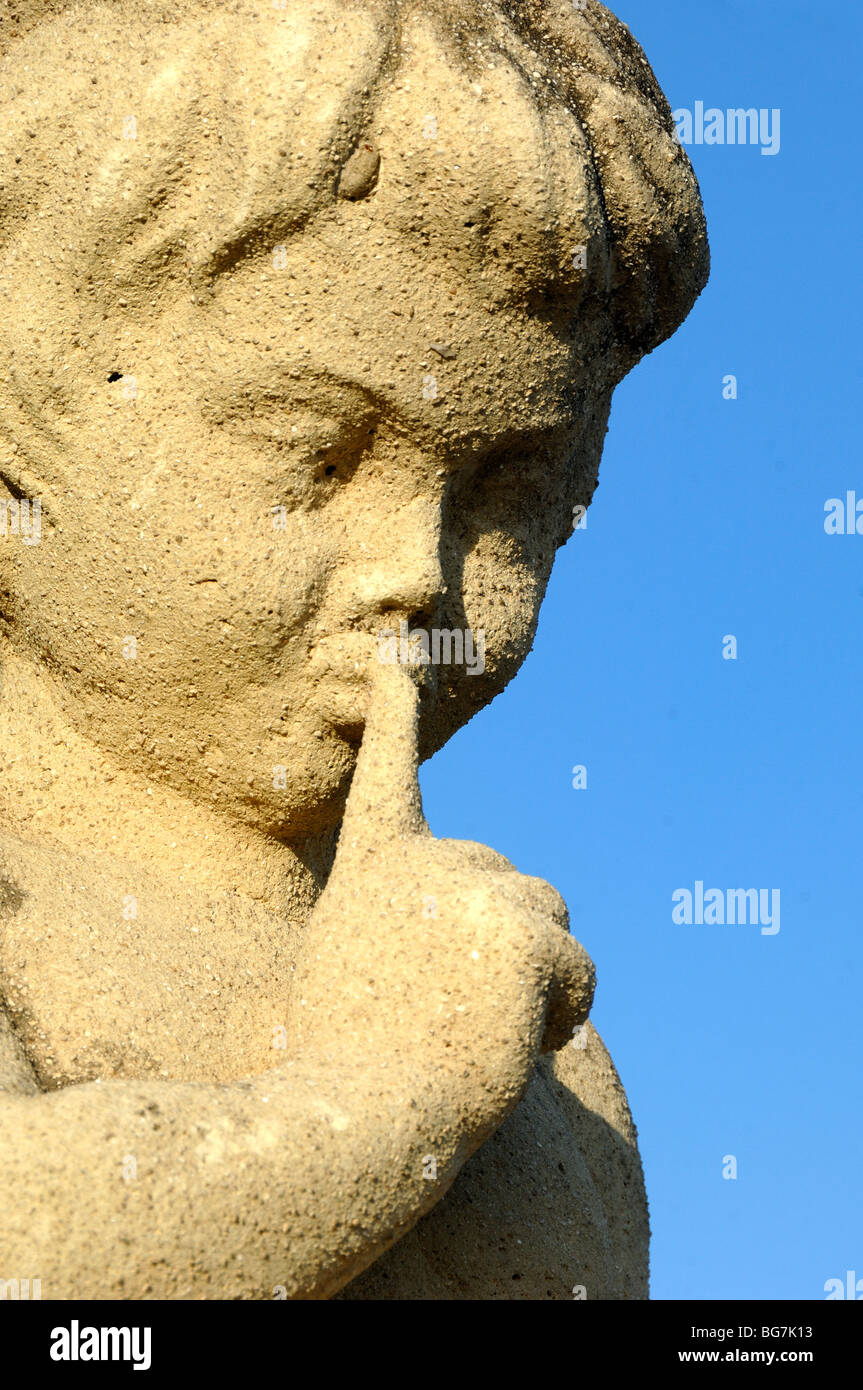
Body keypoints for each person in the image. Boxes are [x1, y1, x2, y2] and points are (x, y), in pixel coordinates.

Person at [0, 0, 707, 1299]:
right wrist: (384, 1099)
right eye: (314, 454)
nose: (413, 574)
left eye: (503, 489)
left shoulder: (548, 1055)